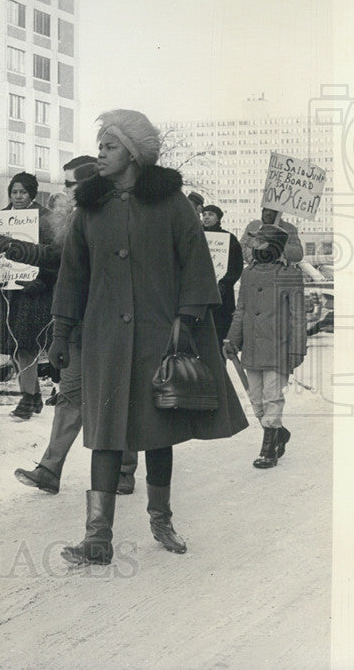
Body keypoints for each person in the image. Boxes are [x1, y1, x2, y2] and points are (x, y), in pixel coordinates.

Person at [49, 109, 248, 566]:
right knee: (103, 434)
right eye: (99, 146)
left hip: (160, 336)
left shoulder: (172, 204)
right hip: (103, 339)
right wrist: (61, 331)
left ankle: (161, 518)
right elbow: (72, 275)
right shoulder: (90, 207)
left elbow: (198, 266)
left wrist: (186, 319)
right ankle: (97, 537)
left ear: (134, 154)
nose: (100, 154)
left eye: (109, 146)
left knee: (159, 433)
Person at [13, 156, 139, 496]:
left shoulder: (116, 219)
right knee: (70, 396)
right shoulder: (73, 222)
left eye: (70, 185)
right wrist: (15, 249)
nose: (63, 192)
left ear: (88, 184)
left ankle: (125, 470)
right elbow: (59, 261)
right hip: (77, 325)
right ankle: (50, 470)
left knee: (115, 397)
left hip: (112, 327)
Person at [223, 224, 306, 469]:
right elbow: (241, 310)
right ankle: (279, 433)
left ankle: (268, 449)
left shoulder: (289, 274)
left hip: (279, 347)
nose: (254, 248)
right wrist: (232, 340)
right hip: (252, 347)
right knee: (255, 398)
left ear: (273, 247)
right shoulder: (248, 274)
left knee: (272, 397)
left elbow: (298, 316)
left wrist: (296, 349)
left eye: (260, 243)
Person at [0, 172, 57, 420]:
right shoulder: (1, 219)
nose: (18, 196)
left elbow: (53, 255)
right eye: (14, 192)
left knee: (26, 344)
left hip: (33, 292)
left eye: (23, 192)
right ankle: (33, 395)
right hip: (8, 292)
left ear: (32, 193)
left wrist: (42, 280)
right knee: (14, 345)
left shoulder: (46, 219)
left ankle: (27, 397)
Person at [201, 205, 244, 341]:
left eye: (211, 214)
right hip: (200, 293)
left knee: (219, 334)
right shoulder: (196, 237)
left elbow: (236, 267)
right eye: (204, 214)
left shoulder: (229, 238)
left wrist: (224, 283)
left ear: (218, 218)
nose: (206, 217)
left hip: (222, 295)